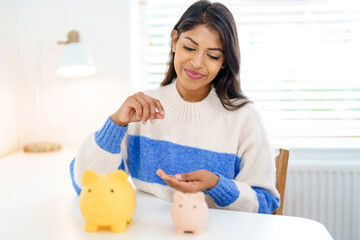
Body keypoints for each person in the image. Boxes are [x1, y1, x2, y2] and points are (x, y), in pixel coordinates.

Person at [70, 0, 280, 213]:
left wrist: (217, 185)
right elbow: (86, 185)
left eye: (213, 55)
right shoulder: (142, 108)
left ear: (224, 61)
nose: (197, 63)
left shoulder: (243, 118)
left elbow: (265, 203)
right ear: (174, 40)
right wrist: (116, 124)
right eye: (189, 47)